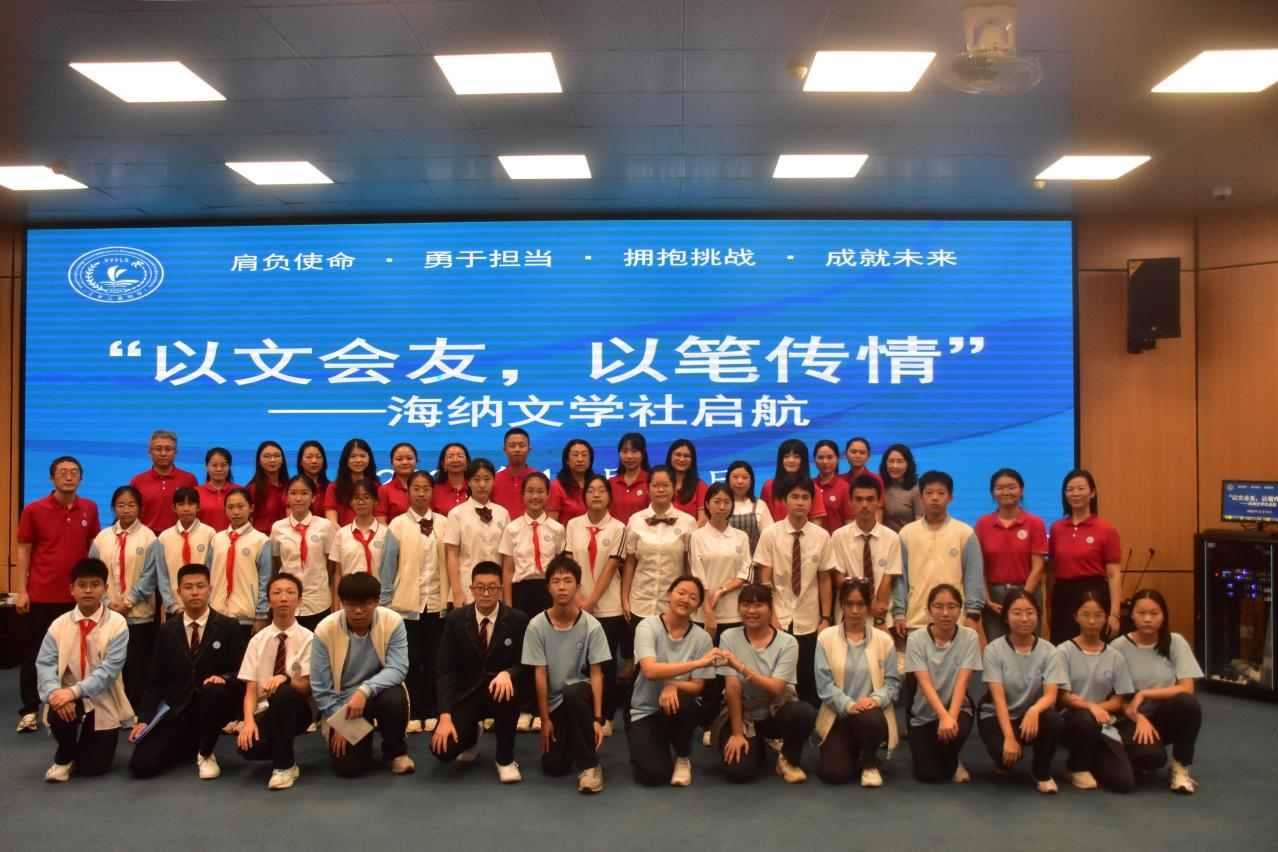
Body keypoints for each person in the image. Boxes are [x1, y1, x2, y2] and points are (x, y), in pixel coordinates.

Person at [128, 563, 247, 780]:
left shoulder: (228, 626)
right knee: (141, 765)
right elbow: (155, 680)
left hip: (215, 704)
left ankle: (206, 752)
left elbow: (242, 671)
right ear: (179, 592)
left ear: (210, 589)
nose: (194, 592)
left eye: (200, 586)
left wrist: (223, 678)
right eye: (188, 587)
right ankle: (189, 742)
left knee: (213, 690)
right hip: (178, 708)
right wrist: (144, 719)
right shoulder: (167, 630)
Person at [14, 456, 100, 733]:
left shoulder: (89, 508)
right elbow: (24, 550)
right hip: (41, 594)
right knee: (36, 655)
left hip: (78, 597)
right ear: (52, 478)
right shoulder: (33, 509)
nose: (68, 476)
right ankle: (29, 710)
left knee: (79, 654)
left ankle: (77, 706)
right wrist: (22, 590)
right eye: (62, 472)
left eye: (74, 472)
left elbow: (93, 548)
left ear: (81, 478)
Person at [36, 558, 133, 782]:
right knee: (58, 708)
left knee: (94, 767)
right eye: (82, 585)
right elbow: (45, 664)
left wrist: (73, 692)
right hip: (67, 698)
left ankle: (82, 749)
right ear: (72, 589)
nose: (88, 590)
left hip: (103, 696)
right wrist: (55, 694)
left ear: (105, 588)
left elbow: (109, 670)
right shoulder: (59, 624)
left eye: (95, 584)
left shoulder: (117, 624)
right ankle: (66, 754)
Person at [430, 561, 528, 780]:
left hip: (500, 692)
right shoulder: (456, 619)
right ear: (471, 589)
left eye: (492, 587)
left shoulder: (518, 620)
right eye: (480, 587)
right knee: (442, 750)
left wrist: (509, 673)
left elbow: (526, 664)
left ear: (501, 589)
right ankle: (470, 735)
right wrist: (444, 716)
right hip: (467, 693)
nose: (486, 593)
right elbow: (445, 670)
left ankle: (505, 759)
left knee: (507, 690)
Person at [311, 573, 413, 777]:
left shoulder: (392, 622)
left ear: (376, 601)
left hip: (379, 694)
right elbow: (320, 686)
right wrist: (340, 722)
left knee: (393, 700)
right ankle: (362, 742)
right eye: (350, 605)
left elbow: (398, 668)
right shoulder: (325, 630)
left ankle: (394, 752)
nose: (358, 611)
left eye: (365, 604)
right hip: (344, 706)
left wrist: (364, 691)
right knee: (349, 768)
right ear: (342, 603)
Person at [523, 555, 611, 792]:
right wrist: (545, 720)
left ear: (578, 586)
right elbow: (539, 674)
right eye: (556, 581)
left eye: (568, 581)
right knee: (554, 766)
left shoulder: (592, 625)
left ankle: (590, 766)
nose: (562, 587)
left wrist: (597, 720)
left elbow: (597, 673)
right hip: (555, 703)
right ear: (548, 587)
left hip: (581, 695)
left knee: (574, 692)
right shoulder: (536, 626)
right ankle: (575, 737)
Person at [716, 583, 815, 784]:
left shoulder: (788, 642)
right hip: (744, 713)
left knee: (805, 712)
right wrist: (737, 734)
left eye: (758, 605)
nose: (751, 611)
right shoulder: (728, 637)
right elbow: (732, 689)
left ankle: (787, 760)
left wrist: (741, 667)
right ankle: (757, 745)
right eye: (745, 605)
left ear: (770, 609)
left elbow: (776, 688)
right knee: (738, 773)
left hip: (775, 710)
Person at [626, 576, 718, 787]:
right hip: (645, 709)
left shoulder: (702, 638)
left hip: (678, 707)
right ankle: (660, 742)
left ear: (697, 606)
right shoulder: (647, 626)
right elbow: (650, 670)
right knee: (653, 774)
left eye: (693, 597)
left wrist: (672, 685)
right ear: (669, 595)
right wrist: (696, 663)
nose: (685, 599)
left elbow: (697, 686)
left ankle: (683, 756)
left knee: (684, 702)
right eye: (681, 593)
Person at [381, 470, 452, 734]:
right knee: (409, 663)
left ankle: (433, 711)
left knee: (435, 662)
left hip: (437, 605)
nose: (421, 494)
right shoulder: (397, 525)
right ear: (408, 492)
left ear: (433, 492)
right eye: (416, 489)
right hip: (405, 607)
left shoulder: (445, 523)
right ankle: (412, 713)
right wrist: (385, 605)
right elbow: (387, 568)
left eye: (426, 489)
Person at [1113, 589, 1203, 794]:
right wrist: (1138, 717)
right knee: (1152, 758)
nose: (1147, 619)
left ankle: (1180, 766)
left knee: (1187, 702)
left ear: (1163, 616)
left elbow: (1187, 688)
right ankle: (1133, 755)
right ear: (1132, 615)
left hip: (1164, 716)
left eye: (1154, 613)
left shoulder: (1175, 642)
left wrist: (1145, 693)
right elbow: (1114, 698)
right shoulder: (1118, 647)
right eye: (1141, 613)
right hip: (1129, 718)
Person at [977, 589, 1065, 794]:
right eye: (1016, 613)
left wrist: (1034, 711)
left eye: (1030, 612)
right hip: (999, 714)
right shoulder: (993, 650)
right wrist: (1009, 737)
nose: (1024, 618)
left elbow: (1051, 695)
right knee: (1003, 751)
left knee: (1052, 719)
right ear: (1006, 618)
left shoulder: (1050, 651)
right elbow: (998, 698)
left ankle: (1040, 771)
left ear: (1038, 615)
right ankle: (1004, 761)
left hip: (1030, 716)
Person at [814, 579, 900, 787]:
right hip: (839, 715)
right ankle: (854, 750)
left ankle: (870, 762)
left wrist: (874, 700)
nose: (854, 610)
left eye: (860, 604)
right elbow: (824, 686)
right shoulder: (825, 638)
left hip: (871, 713)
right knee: (834, 774)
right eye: (849, 604)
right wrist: (849, 705)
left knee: (868, 720)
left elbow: (893, 683)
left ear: (868, 606)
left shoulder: (884, 640)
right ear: (841, 605)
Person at [753, 476, 831, 707]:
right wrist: (771, 617)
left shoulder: (822, 536)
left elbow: (825, 579)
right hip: (778, 617)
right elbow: (765, 580)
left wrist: (826, 618)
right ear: (784, 501)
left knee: (808, 679)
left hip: (809, 618)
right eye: (794, 497)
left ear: (812, 502)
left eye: (805, 498)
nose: (800, 502)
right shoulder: (771, 534)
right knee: (778, 680)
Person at [236, 572, 314, 790]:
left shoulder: (310, 639)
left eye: (290, 593)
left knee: (281, 691)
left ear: (299, 600)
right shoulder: (257, 641)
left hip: (298, 709)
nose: (283, 598)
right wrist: (248, 721)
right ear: (269, 600)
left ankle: (285, 766)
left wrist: (285, 678)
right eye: (277, 593)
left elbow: (307, 689)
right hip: (265, 709)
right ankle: (281, 746)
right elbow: (251, 690)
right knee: (248, 748)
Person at [563, 473, 628, 735]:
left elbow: (612, 567)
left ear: (610, 497)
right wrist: (579, 599)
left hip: (608, 606)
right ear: (584, 496)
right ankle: (581, 712)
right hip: (576, 604)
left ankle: (606, 715)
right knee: (578, 661)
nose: (596, 494)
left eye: (602, 490)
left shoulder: (618, 528)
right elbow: (569, 564)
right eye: (591, 490)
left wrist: (590, 601)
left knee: (606, 663)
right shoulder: (573, 525)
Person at [1056, 592, 1137, 792]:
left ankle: (1094, 758)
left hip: (1104, 721)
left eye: (1098, 615)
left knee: (1124, 783)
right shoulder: (1063, 651)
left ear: (1106, 617)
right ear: (1075, 616)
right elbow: (1063, 698)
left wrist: (1097, 710)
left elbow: (1118, 701)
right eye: (1085, 615)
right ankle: (1076, 767)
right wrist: (1091, 708)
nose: (1092, 621)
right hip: (1072, 720)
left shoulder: (1115, 656)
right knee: (1085, 719)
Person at [893, 471, 984, 641]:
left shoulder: (964, 533)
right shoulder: (907, 533)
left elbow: (973, 577)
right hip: (916, 620)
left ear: (950, 497)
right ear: (920, 497)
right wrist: (899, 613)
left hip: (956, 621)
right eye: (929, 493)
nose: (935, 498)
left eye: (941, 493)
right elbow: (900, 579)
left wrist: (973, 615)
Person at [689, 482, 750, 734]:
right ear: (707, 504)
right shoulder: (697, 536)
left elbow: (744, 573)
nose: (722, 507)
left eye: (727, 502)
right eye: (717, 502)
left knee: (732, 669)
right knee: (709, 670)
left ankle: (736, 719)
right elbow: (697, 576)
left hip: (734, 613)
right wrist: (709, 611)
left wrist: (721, 591)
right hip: (705, 615)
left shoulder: (740, 536)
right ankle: (708, 725)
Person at [88, 485, 158, 706]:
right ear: (113, 508)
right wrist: (106, 602)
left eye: (131, 505)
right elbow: (94, 573)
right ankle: (111, 708)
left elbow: (150, 575)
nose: (126, 510)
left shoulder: (149, 537)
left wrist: (129, 602)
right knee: (111, 664)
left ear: (139, 508)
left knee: (138, 666)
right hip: (107, 614)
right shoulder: (102, 537)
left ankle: (135, 709)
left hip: (139, 615)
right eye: (121, 505)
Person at [905, 584, 982, 783]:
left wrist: (950, 718)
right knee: (929, 775)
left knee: (952, 735)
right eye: (938, 606)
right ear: (929, 610)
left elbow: (963, 681)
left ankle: (952, 759)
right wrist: (942, 716)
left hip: (957, 709)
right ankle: (947, 759)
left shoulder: (970, 637)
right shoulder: (915, 639)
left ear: (960, 610)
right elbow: (924, 683)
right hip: (923, 713)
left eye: (952, 607)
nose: (945, 613)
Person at [1047, 469, 1122, 644]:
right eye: (1070, 489)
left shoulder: (1106, 530)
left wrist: (1114, 614)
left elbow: (1113, 575)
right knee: (1061, 647)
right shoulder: (1056, 528)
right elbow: (1052, 570)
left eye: (1081, 488)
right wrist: (1049, 605)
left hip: (1094, 594)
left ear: (1092, 492)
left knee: (1093, 647)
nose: (1075, 493)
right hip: (1063, 595)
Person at [975, 469, 1049, 642]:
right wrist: (986, 599)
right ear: (992, 492)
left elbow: (1038, 567)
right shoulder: (983, 524)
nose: (1006, 492)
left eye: (1011, 487)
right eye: (1000, 488)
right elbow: (980, 566)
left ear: (1021, 490)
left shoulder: (1035, 523)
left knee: (1029, 647)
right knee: (997, 647)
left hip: (1027, 593)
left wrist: (1022, 600)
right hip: (994, 599)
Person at [622, 465, 695, 636]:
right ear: (648, 490)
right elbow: (630, 563)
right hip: (640, 602)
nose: (661, 490)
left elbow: (689, 566)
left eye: (665, 485)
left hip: (674, 604)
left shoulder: (688, 522)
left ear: (674, 489)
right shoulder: (635, 520)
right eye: (655, 485)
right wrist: (625, 599)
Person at [825, 475, 901, 627]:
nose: (864, 505)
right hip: (848, 614)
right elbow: (839, 577)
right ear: (850, 502)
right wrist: (865, 605)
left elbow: (887, 578)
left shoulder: (892, 537)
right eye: (858, 500)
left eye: (870, 499)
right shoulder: (838, 536)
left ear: (879, 501)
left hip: (881, 616)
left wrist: (878, 615)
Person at [271, 475, 338, 632]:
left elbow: (331, 563)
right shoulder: (278, 527)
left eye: (304, 493)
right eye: (293, 493)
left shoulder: (325, 526)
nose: (298, 498)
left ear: (313, 497)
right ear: (287, 497)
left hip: (318, 600)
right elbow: (277, 561)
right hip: (287, 601)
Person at [444, 458, 511, 607]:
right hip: (467, 588)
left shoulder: (503, 513)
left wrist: (506, 596)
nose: (482, 485)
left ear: (493, 481)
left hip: (496, 589)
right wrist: (457, 592)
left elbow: (507, 558)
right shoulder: (457, 513)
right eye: (476, 479)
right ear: (468, 482)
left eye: (487, 479)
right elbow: (452, 555)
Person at [207, 487, 273, 639]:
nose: (235, 512)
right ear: (225, 510)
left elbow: (265, 580)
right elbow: (208, 575)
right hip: (217, 615)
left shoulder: (261, 540)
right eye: (230, 507)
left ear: (251, 508)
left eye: (241, 506)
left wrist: (261, 615)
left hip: (247, 617)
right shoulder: (217, 539)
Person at [149, 486, 216, 616]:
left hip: (204, 607)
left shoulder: (210, 534)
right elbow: (162, 576)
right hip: (175, 608)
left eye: (191, 504)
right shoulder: (164, 537)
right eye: (181, 504)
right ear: (174, 508)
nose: (186, 509)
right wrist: (172, 606)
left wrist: (207, 602)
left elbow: (212, 571)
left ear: (198, 507)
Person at [130, 429, 199, 533]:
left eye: (168, 449)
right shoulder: (137, 481)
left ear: (175, 452)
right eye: (158, 449)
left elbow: (196, 512)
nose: (163, 453)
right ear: (149, 452)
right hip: (147, 538)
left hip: (181, 537)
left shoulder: (189, 479)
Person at [760, 439, 826, 523]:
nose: (791, 460)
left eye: (796, 457)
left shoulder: (813, 487)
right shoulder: (768, 486)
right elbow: (763, 520)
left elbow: (816, 523)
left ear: (803, 460)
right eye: (786, 456)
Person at [336, 479, 388, 578]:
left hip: (378, 587)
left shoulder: (385, 533)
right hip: (348, 587)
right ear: (351, 502)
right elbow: (338, 572)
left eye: (366, 497)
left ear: (376, 501)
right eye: (356, 498)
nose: (361, 502)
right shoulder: (341, 534)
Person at [326, 438, 378, 528]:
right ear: (345, 459)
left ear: (369, 458)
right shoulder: (334, 487)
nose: (358, 460)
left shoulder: (377, 487)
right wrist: (345, 534)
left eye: (362, 456)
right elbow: (331, 520)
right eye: (353, 456)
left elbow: (379, 518)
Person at [725, 459, 771, 560]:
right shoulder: (721, 505)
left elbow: (770, 538)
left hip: (754, 563)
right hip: (725, 562)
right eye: (735, 477)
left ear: (751, 481)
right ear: (728, 479)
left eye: (745, 477)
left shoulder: (760, 505)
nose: (740, 481)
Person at [547, 438, 594, 525]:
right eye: (575, 455)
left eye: (584, 455)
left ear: (590, 460)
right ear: (567, 460)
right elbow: (551, 526)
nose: (580, 459)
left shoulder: (596, 484)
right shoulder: (557, 486)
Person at [608, 432, 651, 525]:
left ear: (643, 454)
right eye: (624, 451)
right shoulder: (610, 483)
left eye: (634, 451)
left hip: (642, 534)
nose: (629, 456)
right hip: (615, 534)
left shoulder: (651, 482)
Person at [879, 443, 923, 533]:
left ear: (908, 464)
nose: (895, 466)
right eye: (891, 461)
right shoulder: (879, 486)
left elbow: (920, 524)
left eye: (900, 461)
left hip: (906, 540)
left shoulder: (916, 489)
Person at [491, 428, 535, 519]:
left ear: (529, 449)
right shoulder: (493, 480)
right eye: (512, 446)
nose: (517, 449)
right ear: (504, 449)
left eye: (521, 445)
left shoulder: (539, 479)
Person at [813, 439, 854, 535]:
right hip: (811, 542)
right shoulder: (808, 485)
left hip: (836, 542)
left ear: (838, 459)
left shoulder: (845, 488)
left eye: (830, 457)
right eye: (820, 457)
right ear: (814, 459)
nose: (825, 461)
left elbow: (849, 524)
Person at [247, 440, 288, 534]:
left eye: (277, 456)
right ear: (259, 461)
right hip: (262, 540)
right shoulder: (251, 490)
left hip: (288, 539)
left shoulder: (290, 488)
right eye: (267, 456)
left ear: (282, 460)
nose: (272, 460)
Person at [666, 439, 708, 526]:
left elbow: (703, 520)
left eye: (687, 456)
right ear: (670, 456)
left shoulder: (700, 486)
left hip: (691, 534)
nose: (682, 459)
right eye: (678, 455)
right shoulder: (660, 485)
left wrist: (686, 533)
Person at [197, 447, 238, 532]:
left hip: (234, 539)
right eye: (214, 465)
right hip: (204, 539)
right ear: (206, 466)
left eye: (223, 465)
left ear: (229, 466)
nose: (219, 469)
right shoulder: (196, 492)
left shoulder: (239, 491)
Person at [375, 442, 417, 523]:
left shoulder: (427, 488)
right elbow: (381, 522)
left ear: (416, 461)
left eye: (409, 458)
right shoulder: (384, 490)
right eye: (399, 459)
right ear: (392, 463)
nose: (405, 462)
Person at [432, 442, 471, 516]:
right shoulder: (433, 490)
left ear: (467, 462)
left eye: (460, 456)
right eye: (450, 457)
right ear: (443, 463)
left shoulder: (475, 487)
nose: (455, 460)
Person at [295, 440, 330, 518]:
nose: (314, 461)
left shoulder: (330, 488)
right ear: (301, 462)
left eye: (318, 457)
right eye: (309, 457)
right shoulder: (293, 487)